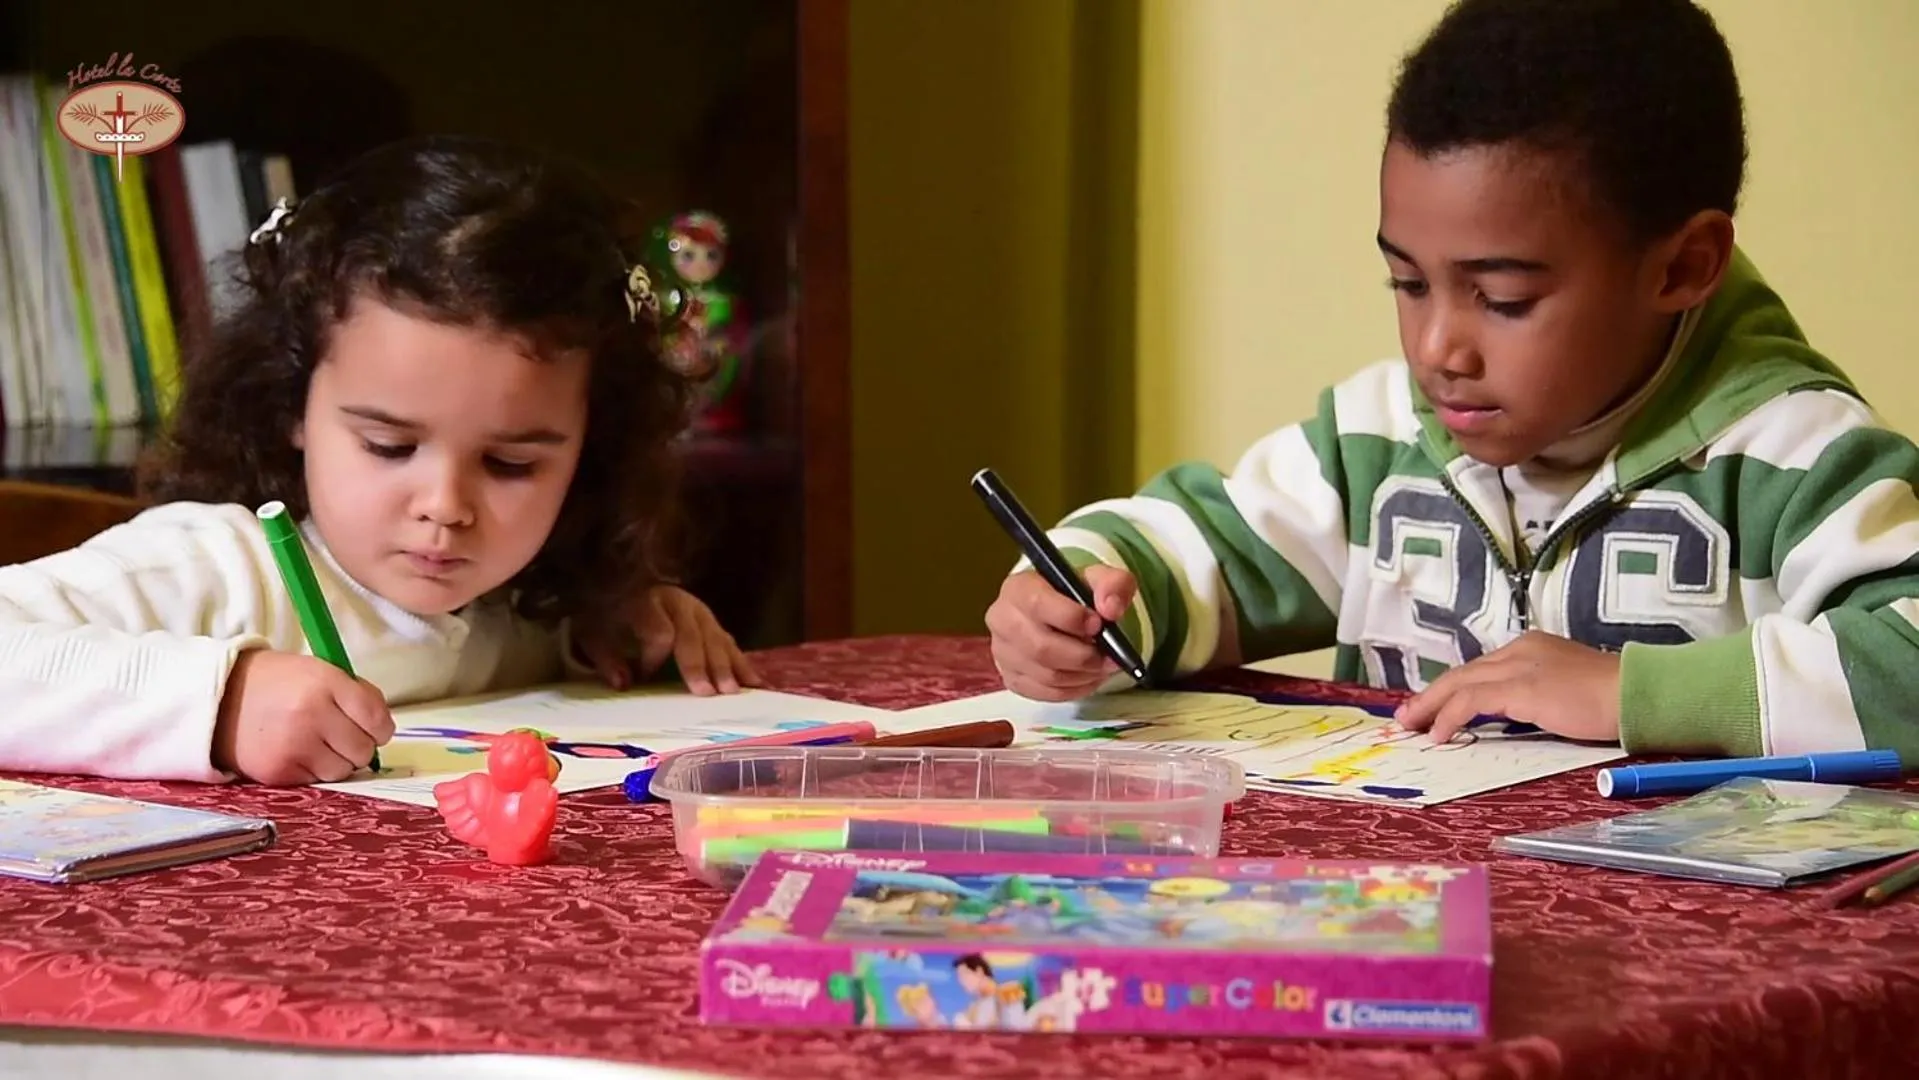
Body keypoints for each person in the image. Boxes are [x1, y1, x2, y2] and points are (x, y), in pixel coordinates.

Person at [984, 0, 1919, 762]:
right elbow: (1191, 550)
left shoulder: (1792, 457)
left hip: (1679, 957)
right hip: (1400, 922)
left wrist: (1624, 694)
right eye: (1406, 281)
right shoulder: (1375, 442)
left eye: (1502, 298)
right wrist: (1075, 604)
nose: (1438, 347)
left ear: (1681, 267)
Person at [0, 135, 760, 786]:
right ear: (292, 402)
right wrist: (219, 702)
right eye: (389, 447)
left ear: (592, 446)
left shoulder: (526, 607)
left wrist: (626, 624)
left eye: (511, 465)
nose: (444, 505)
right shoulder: (207, 571)